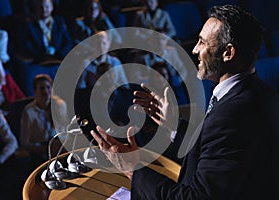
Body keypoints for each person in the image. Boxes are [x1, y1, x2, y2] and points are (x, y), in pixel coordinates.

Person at [91, 5, 279, 199]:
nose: (195, 50)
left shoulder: (231, 116)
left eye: (202, 42)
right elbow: (215, 150)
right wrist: (174, 126)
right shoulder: (264, 94)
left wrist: (132, 168)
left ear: (228, 53)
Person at [20, 74, 67, 166]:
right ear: (35, 91)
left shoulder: (60, 105)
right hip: (40, 149)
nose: (46, 91)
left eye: (48, 87)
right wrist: (44, 149)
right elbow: (25, 142)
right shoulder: (29, 111)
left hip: (59, 146)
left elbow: (65, 131)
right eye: (41, 88)